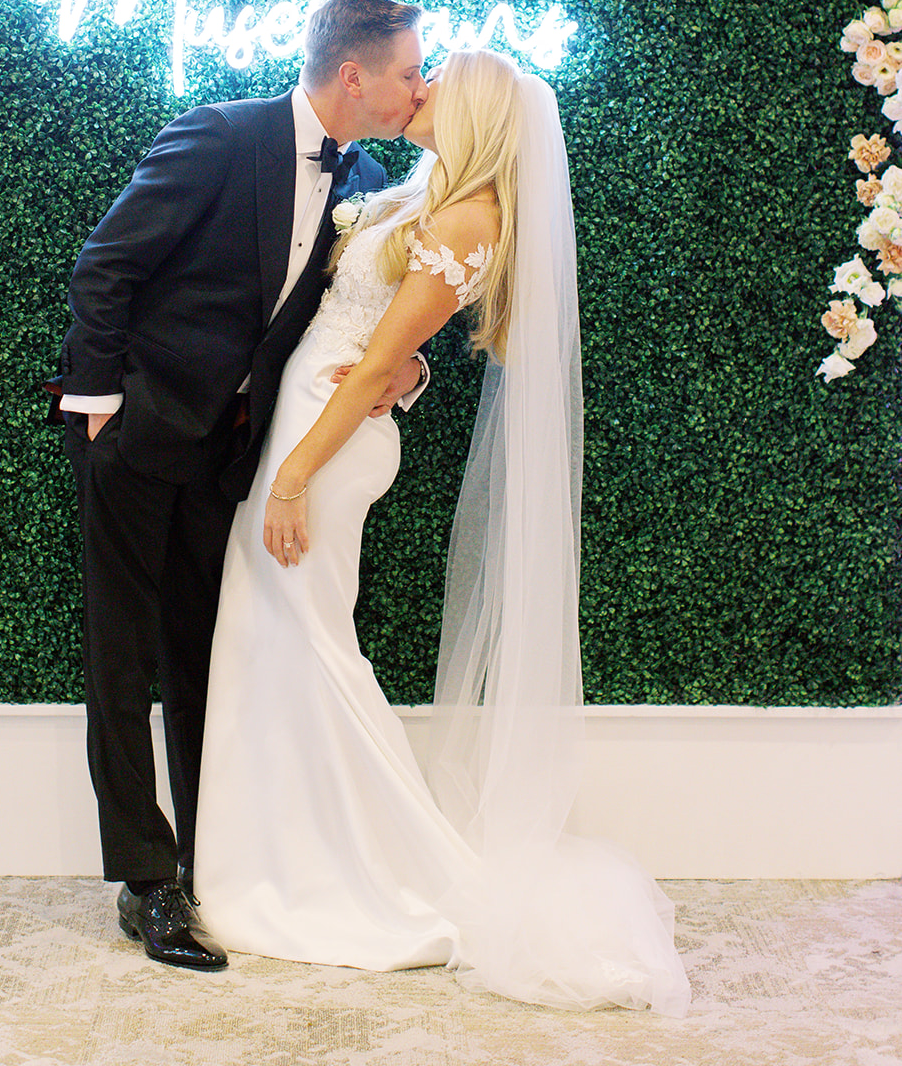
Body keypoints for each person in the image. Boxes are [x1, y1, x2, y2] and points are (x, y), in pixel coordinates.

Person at [194, 49, 691, 1015]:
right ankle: (283, 854)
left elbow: (388, 355)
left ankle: (375, 871)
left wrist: (295, 475)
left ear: (471, 117)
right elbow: (381, 352)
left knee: (306, 642)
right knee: (274, 638)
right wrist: (372, 398)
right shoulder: (426, 191)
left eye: (435, 87)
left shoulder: (470, 215)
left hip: (324, 452)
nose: (416, 92)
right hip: (315, 428)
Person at [48, 0, 430, 971]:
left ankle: (216, 859)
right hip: (135, 440)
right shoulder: (218, 135)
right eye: (403, 71)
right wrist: (98, 408)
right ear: (352, 74)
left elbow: (368, 315)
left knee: (203, 658)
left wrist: (407, 367)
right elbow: (105, 265)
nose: (413, 87)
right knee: (120, 661)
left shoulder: (374, 177)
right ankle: (146, 883)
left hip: (236, 459)